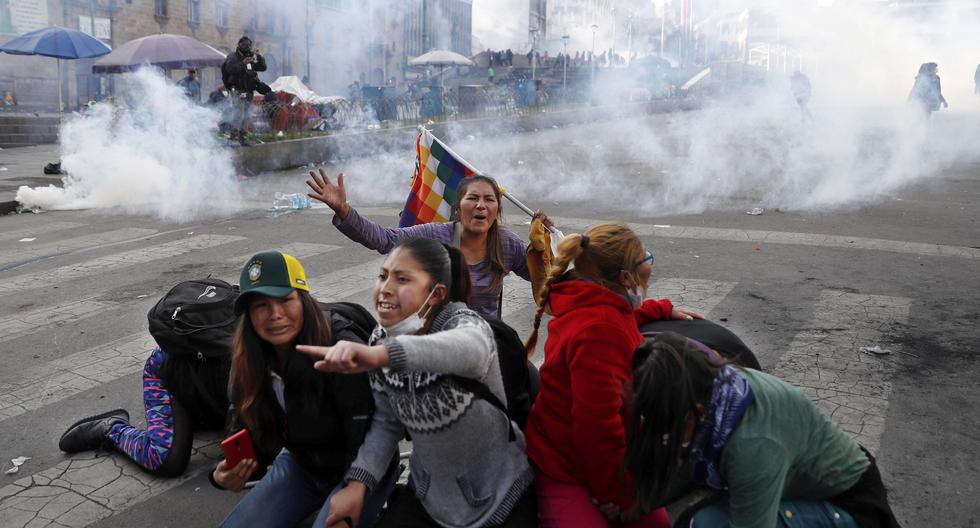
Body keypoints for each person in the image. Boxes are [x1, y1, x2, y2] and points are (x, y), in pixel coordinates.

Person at [298, 237, 537, 527]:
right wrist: (359, 484)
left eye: (402, 279)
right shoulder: (380, 338)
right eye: (383, 276)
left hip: (498, 498)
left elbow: (470, 348)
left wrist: (382, 356)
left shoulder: (468, 326)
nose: (385, 288)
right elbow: (387, 422)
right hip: (428, 498)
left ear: (435, 294)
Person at [522, 222, 702, 528]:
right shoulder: (600, 330)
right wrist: (618, 498)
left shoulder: (591, 299)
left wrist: (659, 309)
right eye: (645, 260)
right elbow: (596, 432)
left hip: (597, 458)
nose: (649, 265)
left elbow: (622, 316)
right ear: (624, 277)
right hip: (564, 465)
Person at [625, 333, 902, 528]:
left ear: (696, 409)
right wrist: (636, 504)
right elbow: (679, 463)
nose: (667, 436)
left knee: (705, 523)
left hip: (850, 506)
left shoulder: (752, 444)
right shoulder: (721, 387)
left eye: (672, 425)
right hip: (800, 479)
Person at [210, 251, 392, 528]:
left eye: (285, 300)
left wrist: (357, 487)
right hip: (303, 463)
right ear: (248, 315)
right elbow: (244, 430)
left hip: (363, 468)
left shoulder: (340, 347)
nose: (275, 315)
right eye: (261, 305)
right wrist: (223, 475)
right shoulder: (248, 359)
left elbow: (380, 430)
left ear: (304, 300)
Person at [306, 169, 539, 319]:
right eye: (473, 198)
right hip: (437, 342)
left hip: (487, 344)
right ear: (458, 208)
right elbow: (385, 239)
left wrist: (543, 248)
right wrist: (344, 211)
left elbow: (544, 279)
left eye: (489, 200)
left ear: (496, 210)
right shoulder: (436, 236)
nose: (481, 205)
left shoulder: (507, 244)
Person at [221, 36, 268, 144]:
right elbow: (230, 69)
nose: (247, 47)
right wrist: (243, 63)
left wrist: (259, 56)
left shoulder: (250, 56)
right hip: (237, 89)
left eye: (249, 45)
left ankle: (243, 137)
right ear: (239, 45)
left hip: (248, 90)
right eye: (245, 45)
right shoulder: (232, 56)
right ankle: (234, 137)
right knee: (238, 113)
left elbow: (262, 68)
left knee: (247, 114)